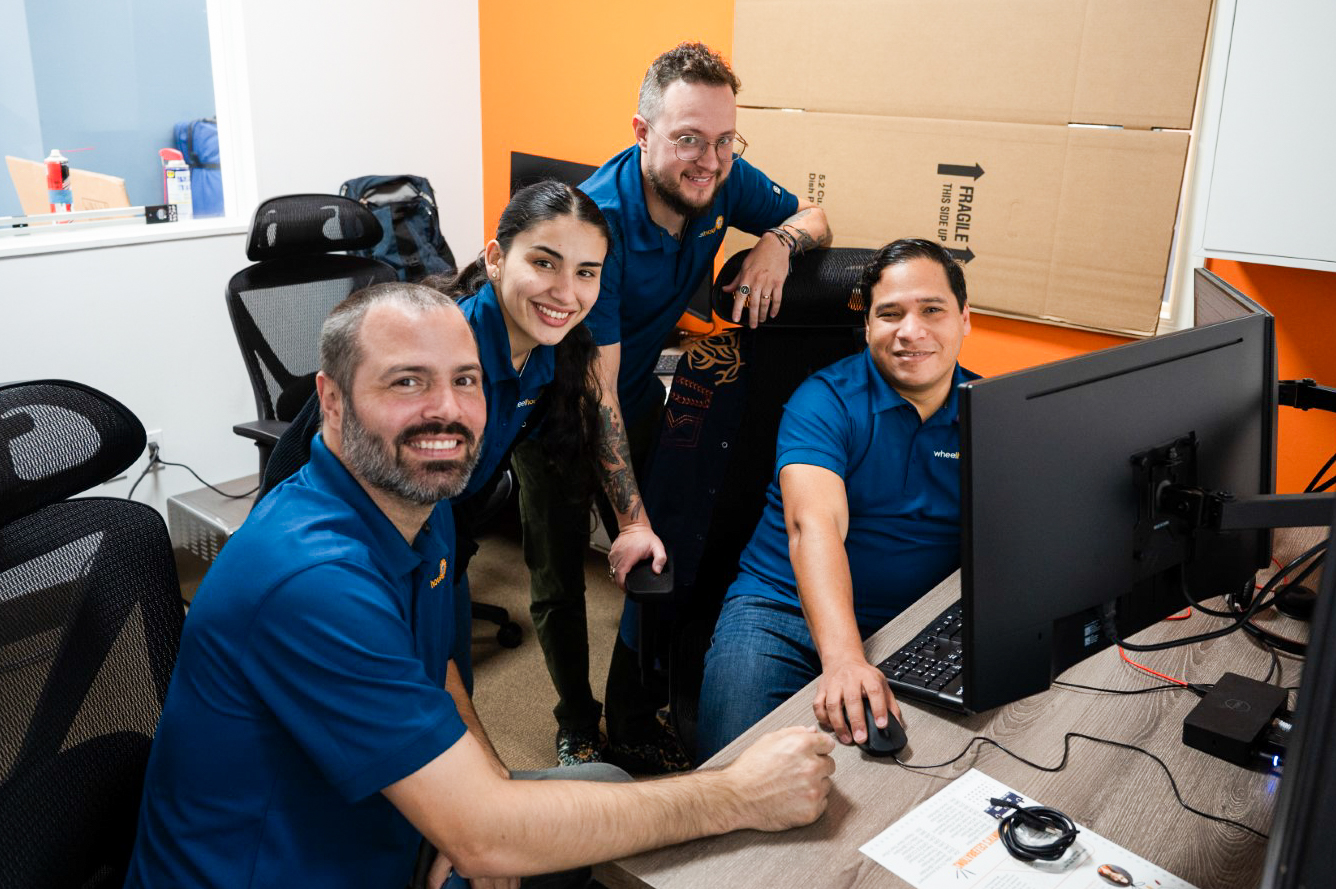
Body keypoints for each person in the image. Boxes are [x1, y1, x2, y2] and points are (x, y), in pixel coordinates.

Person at [125, 283, 837, 889]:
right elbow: (488, 836)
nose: (448, 411)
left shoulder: (419, 504)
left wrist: (478, 794)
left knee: (603, 795)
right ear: (332, 401)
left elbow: (435, 666)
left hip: (387, 827)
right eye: (407, 381)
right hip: (278, 871)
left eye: (465, 379)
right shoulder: (308, 578)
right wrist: (738, 792)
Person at [512, 41, 832, 771]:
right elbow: (595, 398)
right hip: (557, 413)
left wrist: (778, 242)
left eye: (724, 140)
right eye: (689, 137)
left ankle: (629, 712)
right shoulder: (598, 225)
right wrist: (628, 517)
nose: (709, 159)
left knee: (663, 557)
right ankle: (576, 720)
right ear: (642, 132)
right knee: (562, 577)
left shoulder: (716, 180)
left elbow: (815, 214)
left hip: (634, 394)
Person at [254, 180, 608, 693]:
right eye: (544, 263)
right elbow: (321, 449)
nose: (566, 292)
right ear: (496, 259)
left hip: (440, 535)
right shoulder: (443, 345)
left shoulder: (550, 353)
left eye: (586, 273)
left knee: (444, 688)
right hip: (362, 544)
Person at [695, 238, 979, 762]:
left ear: (964, 318)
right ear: (867, 325)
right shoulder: (823, 399)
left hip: (916, 620)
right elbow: (813, 525)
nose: (910, 331)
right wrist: (846, 658)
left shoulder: (991, 413)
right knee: (733, 771)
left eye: (932, 310)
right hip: (782, 614)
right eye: (889, 314)